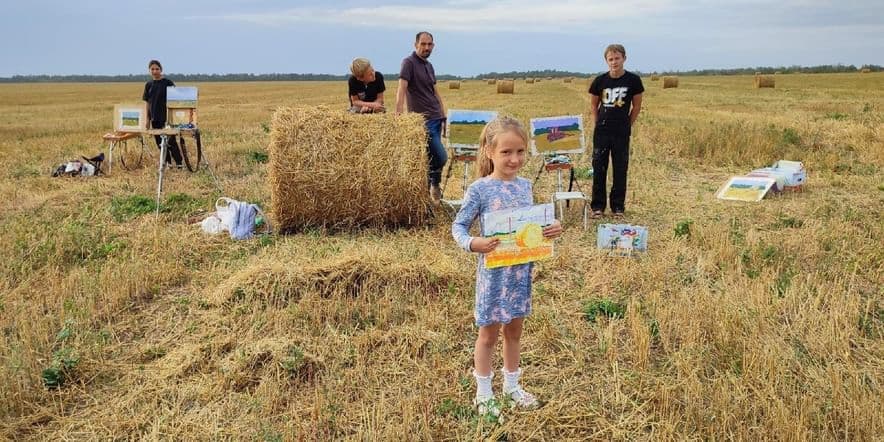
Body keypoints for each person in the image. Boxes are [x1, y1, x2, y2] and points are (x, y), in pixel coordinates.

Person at [451, 116, 563, 415]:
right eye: (506, 152)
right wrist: (474, 244)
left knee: (514, 332)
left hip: (520, 274)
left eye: (520, 152)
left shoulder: (526, 186)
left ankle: (513, 387)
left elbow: (531, 226)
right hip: (493, 277)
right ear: (489, 152)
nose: (514, 159)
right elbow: (458, 227)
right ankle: (484, 393)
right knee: (488, 335)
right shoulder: (480, 190)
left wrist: (551, 227)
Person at [588, 44, 644, 218]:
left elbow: (636, 107)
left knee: (620, 169)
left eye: (617, 58)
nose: (614, 62)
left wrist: (628, 124)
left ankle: (618, 207)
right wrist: (598, 125)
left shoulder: (633, 81)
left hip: (621, 132)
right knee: (599, 168)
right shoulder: (600, 81)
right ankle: (598, 206)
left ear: (624, 58)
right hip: (602, 132)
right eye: (610, 59)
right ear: (606, 61)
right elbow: (593, 105)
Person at [395, 31, 447, 203]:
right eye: (423, 44)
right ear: (415, 44)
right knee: (441, 156)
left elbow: (435, 91)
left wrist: (443, 112)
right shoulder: (408, 63)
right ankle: (433, 184)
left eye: (429, 44)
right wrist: (399, 114)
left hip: (436, 116)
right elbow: (401, 88)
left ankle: (430, 189)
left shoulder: (429, 65)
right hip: (422, 120)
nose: (426, 47)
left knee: (431, 157)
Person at [142, 60, 183, 168]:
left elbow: (177, 98)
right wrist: (147, 119)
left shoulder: (168, 83)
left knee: (171, 141)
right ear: (149, 71)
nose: (155, 71)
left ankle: (179, 163)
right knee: (159, 143)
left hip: (167, 118)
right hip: (154, 118)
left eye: (157, 69)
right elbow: (147, 102)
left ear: (161, 69)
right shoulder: (148, 85)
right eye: (152, 69)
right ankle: (168, 163)